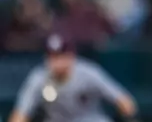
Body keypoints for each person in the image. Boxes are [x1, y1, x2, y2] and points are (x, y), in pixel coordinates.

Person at [8, 34, 139, 122]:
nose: (57, 62)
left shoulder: (87, 72)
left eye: (61, 56)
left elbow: (124, 100)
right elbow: (20, 113)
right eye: (52, 56)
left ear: (71, 56)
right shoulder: (39, 78)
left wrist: (128, 113)